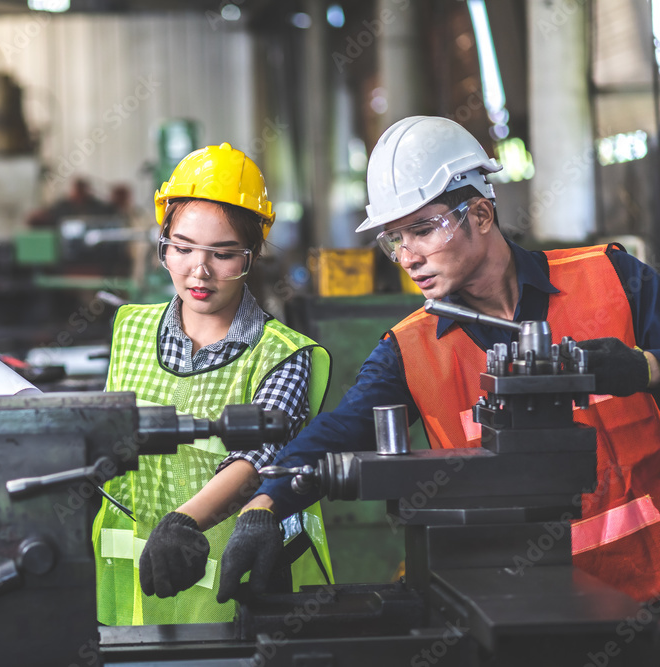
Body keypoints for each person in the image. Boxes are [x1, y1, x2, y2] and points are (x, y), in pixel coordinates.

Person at [211, 115, 660, 605]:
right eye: (395, 239)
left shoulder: (614, 278)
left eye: (422, 230)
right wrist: (265, 506)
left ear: (481, 215)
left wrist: (646, 369)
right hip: (520, 614)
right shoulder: (409, 351)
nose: (408, 257)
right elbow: (340, 430)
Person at [92, 142, 334, 626]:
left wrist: (182, 523)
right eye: (180, 249)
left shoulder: (282, 354)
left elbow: (258, 456)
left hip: (241, 600)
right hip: (129, 604)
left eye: (223, 255)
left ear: (253, 254)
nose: (198, 271)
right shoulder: (130, 329)